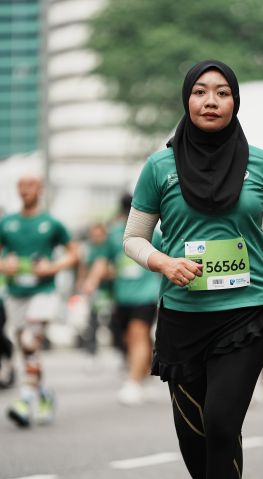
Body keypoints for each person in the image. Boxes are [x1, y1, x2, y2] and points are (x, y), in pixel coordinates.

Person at [123, 60, 263, 479]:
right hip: (183, 317)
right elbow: (133, 238)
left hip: (246, 311)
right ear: (187, 100)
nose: (210, 100)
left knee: (223, 424)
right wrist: (163, 262)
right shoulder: (159, 167)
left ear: (234, 102)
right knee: (192, 434)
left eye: (222, 92)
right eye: (200, 92)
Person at [0, 175, 78, 426]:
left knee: (29, 340)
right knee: (27, 350)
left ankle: (24, 402)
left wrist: (52, 267)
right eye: (21, 186)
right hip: (16, 294)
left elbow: (74, 254)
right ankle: (44, 394)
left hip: (44, 292)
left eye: (30, 185)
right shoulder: (7, 223)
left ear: (40, 189)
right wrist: (5, 265)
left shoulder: (51, 223)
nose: (25, 190)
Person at [85, 193, 161, 405]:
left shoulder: (153, 234)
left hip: (146, 295)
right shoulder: (114, 235)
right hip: (122, 297)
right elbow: (102, 261)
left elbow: (164, 258)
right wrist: (92, 282)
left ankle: (133, 382)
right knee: (131, 338)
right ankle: (145, 374)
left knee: (139, 334)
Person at [76, 223, 113, 355]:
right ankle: (91, 345)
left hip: (108, 289)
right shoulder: (88, 249)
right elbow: (83, 267)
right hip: (94, 291)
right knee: (92, 318)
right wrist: (81, 281)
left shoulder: (109, 247)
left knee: (110, 319)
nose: (96, 238)